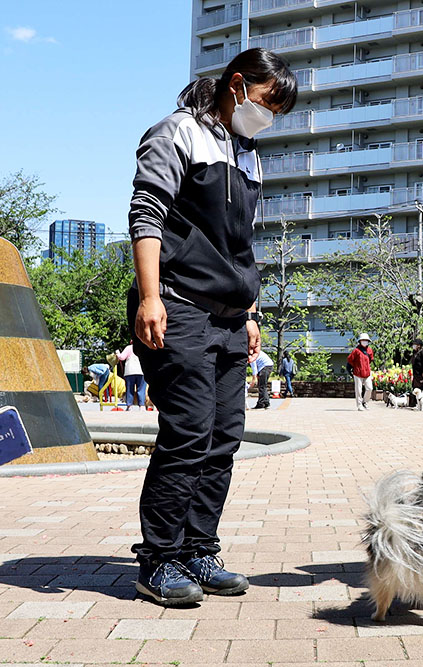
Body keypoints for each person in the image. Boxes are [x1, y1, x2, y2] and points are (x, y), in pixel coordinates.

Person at [126, 47, 297, 606]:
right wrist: (150, 297)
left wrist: (249, 314)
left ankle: (198, 549)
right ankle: (159, 559)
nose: (269, 115)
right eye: (269, 102)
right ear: (239, 84)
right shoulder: (176, 133)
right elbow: (146, 211)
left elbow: (241, 244)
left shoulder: (248, 153)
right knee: (189, 433)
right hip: (177, 305)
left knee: (224, 437)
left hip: (229, 316)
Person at [347, 333, 374, 411]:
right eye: (363, 340)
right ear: (360, 341)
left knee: (369, 388)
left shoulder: (370, 350)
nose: (365, 342)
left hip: (367, 372)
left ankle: (365, 402)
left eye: (366, 340)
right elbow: (350, 360)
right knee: (358, 390)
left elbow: (371, 360)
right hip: (358, 373)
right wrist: (355, 367)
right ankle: (359, 405)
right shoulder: (356, 351)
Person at [116, 344, 147, 411]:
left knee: (129, 389)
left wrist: (118, 353)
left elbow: (122, 357)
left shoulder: (129, 348)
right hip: (141, 371)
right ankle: (142, 406)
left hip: (130, 372)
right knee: (141, 389)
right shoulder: (144, 346)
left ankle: (130, 406)